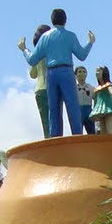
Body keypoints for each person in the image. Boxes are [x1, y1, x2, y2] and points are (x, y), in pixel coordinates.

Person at [21, 8, 94, 136]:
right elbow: (82, 55)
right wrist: (90, 42)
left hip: (52, 74)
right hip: (66, 71)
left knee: (53, 109)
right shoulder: (70, 36)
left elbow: (32, 60)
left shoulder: (45, 37)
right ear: (65, 20)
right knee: (73, 106)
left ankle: (55, 139)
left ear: (52, 21)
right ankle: (77, 136)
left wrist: (24, 49)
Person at [18, 23, 50, 136]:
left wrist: (25, 50)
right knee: (55, 119)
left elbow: (33, 74)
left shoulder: (37, 52)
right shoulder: (51, 51)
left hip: (40, 89)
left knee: (45, 122)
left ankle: (48, 140)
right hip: (52, 87)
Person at [90, 65, 112, 133]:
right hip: (100, 109)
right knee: (103, 129)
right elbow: (96, 100)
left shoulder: (108, 84)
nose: (97, 73)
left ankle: (111, 142)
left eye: (99, 70)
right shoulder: (97, 88)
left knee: (109, 127)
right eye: (96, 71)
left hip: (108, 107)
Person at [75, 66, 96, 135]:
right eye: (79, 72)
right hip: (78, 111)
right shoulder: (73, 88)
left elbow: (96, 98)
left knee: (91, 132)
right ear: (75, 75)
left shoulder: (90, 87)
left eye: (84, 72)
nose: (82, 74)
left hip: (89, 110)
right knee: (78, 132)